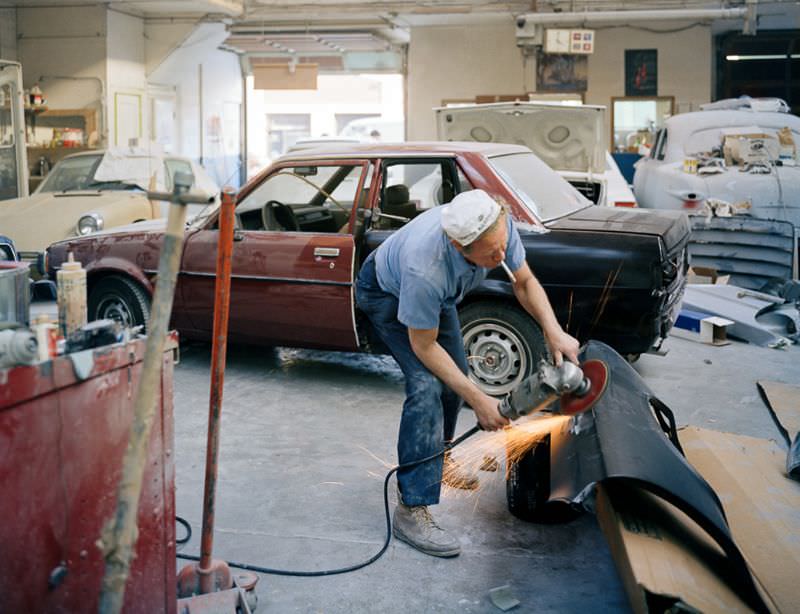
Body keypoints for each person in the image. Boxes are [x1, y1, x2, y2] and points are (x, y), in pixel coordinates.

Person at [355, 189, 579, 558]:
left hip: (436, 297)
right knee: (427, 385)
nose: (500, 256)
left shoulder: (496, 225)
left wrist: (552, 329)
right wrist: (480, 399)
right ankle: (412, 507)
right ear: (460, 247)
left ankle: (440, 459)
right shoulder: (424, 268)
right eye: (490, 253)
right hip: (386, 293)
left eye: (502, 244)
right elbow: (424, 346)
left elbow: (523, 282)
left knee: (455, 378)